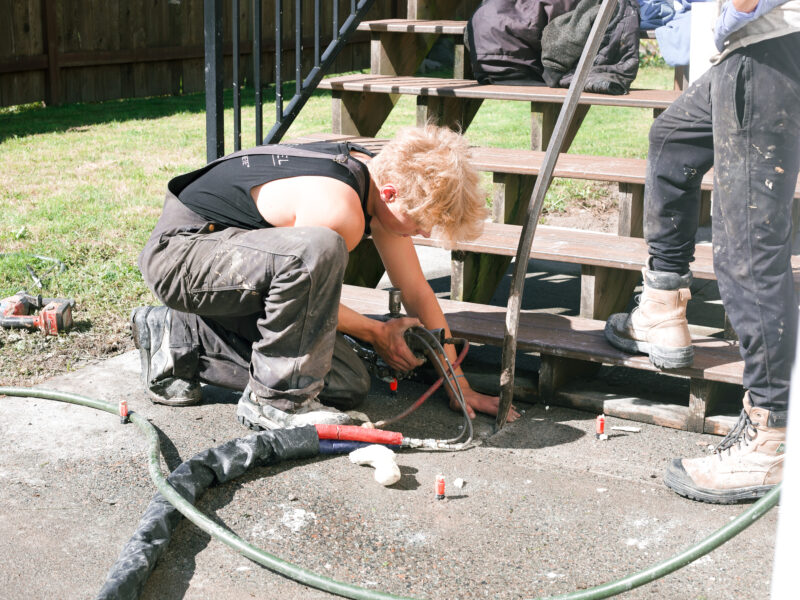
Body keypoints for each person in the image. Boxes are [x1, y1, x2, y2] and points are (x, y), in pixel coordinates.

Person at [132, 124, 520, 430]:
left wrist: (458, 384)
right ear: (389, 193)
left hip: (237, 262)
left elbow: (418, 292)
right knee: (320, 248)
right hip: (182, 254)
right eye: (420, 222)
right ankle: (275, 405)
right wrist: (375, 331)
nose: (422, 233)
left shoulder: (380, 187)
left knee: (346, 383)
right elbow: (309, 285)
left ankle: (180, 335)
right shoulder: (341, 210)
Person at [605, 0, 799, 503]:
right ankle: (662, 307)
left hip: (770, 45)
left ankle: (772, 434)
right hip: (749, 47)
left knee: (748, 249)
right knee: (672, 139)